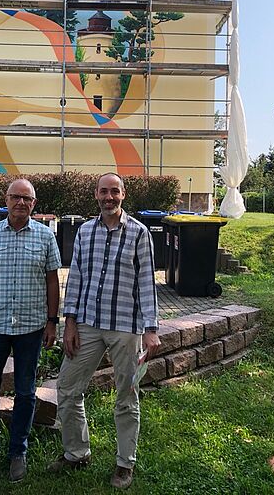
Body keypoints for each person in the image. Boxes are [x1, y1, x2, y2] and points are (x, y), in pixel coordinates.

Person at [49, 172, 160, 490]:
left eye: (114, 191)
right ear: (96, 195)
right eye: (103, 191)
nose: (109, 197)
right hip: (87, 324)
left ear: (123, 195)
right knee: (67, 388)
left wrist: (151, 328)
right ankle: (76, 453)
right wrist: (70, 322)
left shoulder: (139, 233)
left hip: (126, 327)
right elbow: (76, 277)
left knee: (127, 396)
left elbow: (146, 282)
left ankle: (125, 463)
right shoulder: (85, 231)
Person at [0, 179, 61, 485]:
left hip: (31, 327)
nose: (21, 202)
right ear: (6, 200)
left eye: (26, 198)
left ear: (34, 204)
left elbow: (53, 282)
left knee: (25, 391)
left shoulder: (46, 236)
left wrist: (52, 321)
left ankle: (18, 451)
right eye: (15, 197)